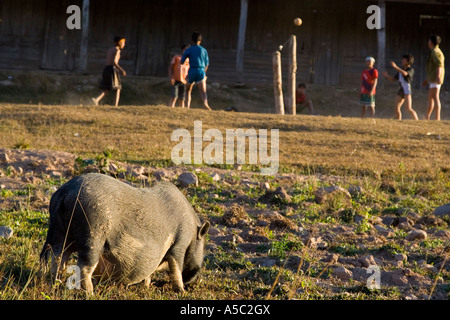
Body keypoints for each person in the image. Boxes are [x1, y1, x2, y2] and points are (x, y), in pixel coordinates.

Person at [92, 36, 127, 107]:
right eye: (123, 43)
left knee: (107, 88)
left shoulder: (110, 50)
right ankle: (115, 106)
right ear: (119, 43)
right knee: (118, 88)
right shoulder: (117, 50)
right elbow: (114, 62)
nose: (124, 45)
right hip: (112, 70)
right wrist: (121, 70)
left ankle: (96, 99)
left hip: (106, 69)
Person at [181, 32, 212, 110]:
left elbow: (182, 61)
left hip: (192, 71)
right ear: (200, 40)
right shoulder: (204, 50)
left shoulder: (189, 49)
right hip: (201, 70)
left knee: (188, 89)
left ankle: (187, 106)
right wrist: (204, 72)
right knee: (203, 91)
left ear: (192, 40)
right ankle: (205, 103)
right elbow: (207, 64)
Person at [382, 54, 419, 120]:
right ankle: (398, 119)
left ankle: (416, 120)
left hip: (407, 90)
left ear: (408, 61)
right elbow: (393, 79)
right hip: (401, 90)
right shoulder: (400, 71)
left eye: (404, 60)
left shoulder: (411, 70)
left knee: (408, 108)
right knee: (396, 106)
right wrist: (387, 76)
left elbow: (405, 74)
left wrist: (395, 67)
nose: (402, 61)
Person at [423, 34, 445, 121]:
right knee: (430, 97)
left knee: (435, 97)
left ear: (431, 42)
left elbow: (439, 65)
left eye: (429, 41)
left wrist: (438, 77)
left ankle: (437, 117)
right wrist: (427, 79)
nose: (428, 42)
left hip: (436, 78)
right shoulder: (436, 51)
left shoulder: (435, 52)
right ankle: (427, 117)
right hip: (433, 78)